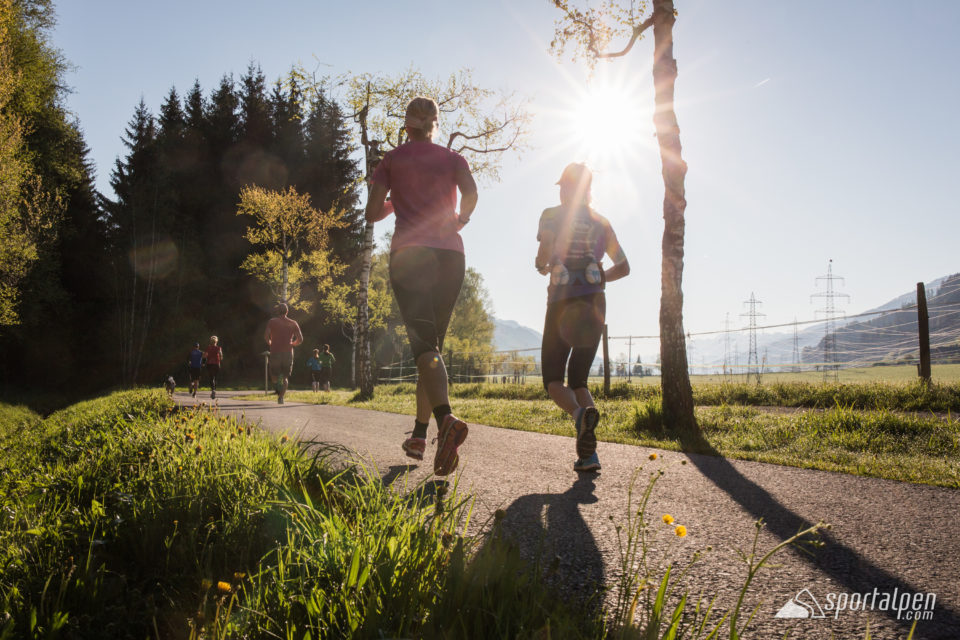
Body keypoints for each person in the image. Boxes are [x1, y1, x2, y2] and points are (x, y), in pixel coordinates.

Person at [365, 96, 478, 476]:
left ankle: (446, 421)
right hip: (451, 257)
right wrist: (460, 219)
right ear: (434, 124)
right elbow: (472, 193)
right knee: (431, 352)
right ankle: (418, 434)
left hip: (411, 256)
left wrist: (395, 200)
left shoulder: (392, 160)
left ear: (407, 124)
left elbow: (371, 212)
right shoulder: (452, 159)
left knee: (424, 348)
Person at [536, 162, 630, 472]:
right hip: (595, 303)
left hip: (563, 304)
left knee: (552, 380)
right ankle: (589, 455)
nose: (562, 192)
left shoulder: (551, 215)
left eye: (564, 186)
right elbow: (624, 266)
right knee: (579, 380)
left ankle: (579, 418)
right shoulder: (602, 222)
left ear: (567, 187)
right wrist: (600, 277)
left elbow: (544, 252)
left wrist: (542, 263)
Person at [264, 302, 303, 405]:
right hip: (288, 353)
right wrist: (292, 344)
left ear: (277, 311)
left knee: (274, 375)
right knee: (285, 377)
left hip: (275, 351)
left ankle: (278, 389)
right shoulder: (293, 323)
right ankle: (281, 397)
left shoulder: (272, 322)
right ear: (287, 311)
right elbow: (300, 339)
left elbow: (266, 336)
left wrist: (270, 343)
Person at [204, 335, 223, 400]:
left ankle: (213, 390)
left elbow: (205, 356)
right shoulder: (219, 348)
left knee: (211, 378)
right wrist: (220, 358)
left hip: (210, 364)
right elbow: (221, 355)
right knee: (215, 377)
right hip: (217, 364)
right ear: (216, 341)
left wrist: (204, 360)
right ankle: (214, 390)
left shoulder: (208, 348)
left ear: (211, 341)